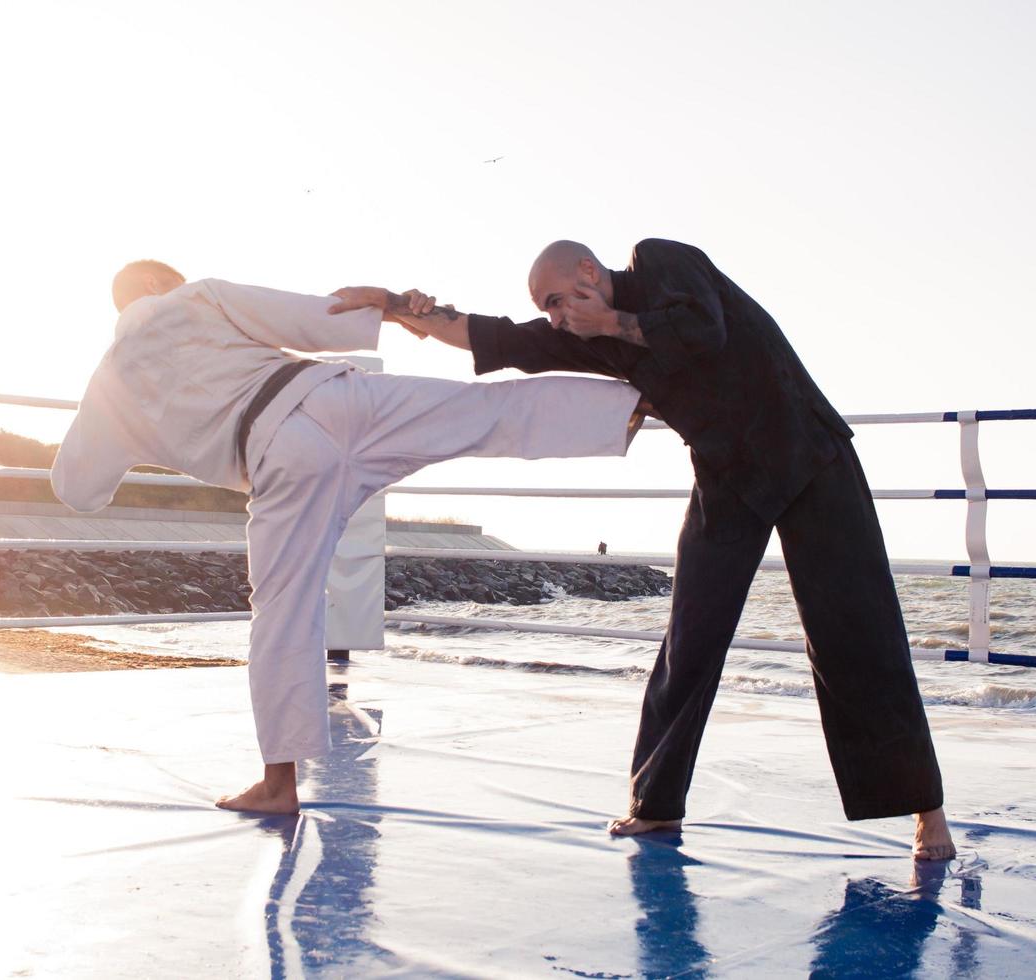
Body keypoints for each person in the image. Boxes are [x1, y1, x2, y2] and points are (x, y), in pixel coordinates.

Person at [333, 239, 956, 860]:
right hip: (727, 476)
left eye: (556, 300)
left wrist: (608, 321)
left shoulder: (657, 261)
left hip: (809, 453)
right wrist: (394, 306)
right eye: (546, 308)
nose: (554, 316)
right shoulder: (587, 335)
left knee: (857, 633)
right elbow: (501, 339)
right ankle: (655, 807)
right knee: (690, 636)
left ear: (587, 271)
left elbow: (703, 330)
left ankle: (928, 816)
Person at [51, 260, 646, 814]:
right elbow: (311, 320)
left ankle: (278, 784)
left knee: (282, 612)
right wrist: (390, 309)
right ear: (159, 283)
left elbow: (77, 489)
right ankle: (635, 404)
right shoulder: (194, 296)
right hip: (336, 400)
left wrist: (139, 433)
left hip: (274, 461)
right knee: (482, 413)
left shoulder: (108, 385)